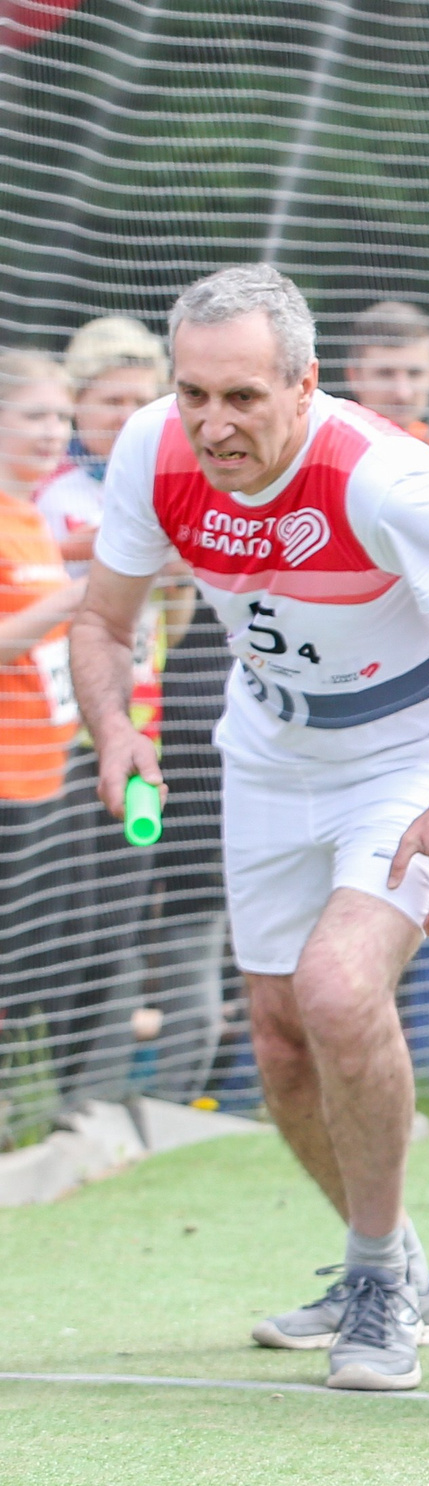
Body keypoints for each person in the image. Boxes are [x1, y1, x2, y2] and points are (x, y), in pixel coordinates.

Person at [68, 264, 429, 1393]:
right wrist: (115, 730)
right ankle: (386, 1258)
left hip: (412, 750)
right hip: (270, 747)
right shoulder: (153, 451)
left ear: (304, 386)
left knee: (342, 989)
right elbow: (105, 625)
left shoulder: (386, 477)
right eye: (195, 393)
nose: (214, 423)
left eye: (243, 397)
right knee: (278, 1035)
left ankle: (379, 1281)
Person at [0, 354, 90, 1119]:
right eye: (33, 415)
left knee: (30, 953)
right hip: (2, 774)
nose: (50, 432)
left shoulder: (29, 516)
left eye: (60, 417)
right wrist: (82, 590)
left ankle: (20, 1110)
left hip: (43, 770)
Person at [38, 316, 170, 562]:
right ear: (75, 401)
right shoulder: (36, 475)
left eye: (142, 402)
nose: (128, 417)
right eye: (113, 401)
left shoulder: (167, 479)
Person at [339, 301, 429, 493]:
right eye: (385, 374)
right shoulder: (324, 453)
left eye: (415, 374)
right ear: (354, 376)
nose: (402, 392)